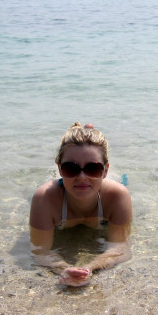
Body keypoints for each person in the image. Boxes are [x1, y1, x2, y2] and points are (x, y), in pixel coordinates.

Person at [30, 122, 132, 287]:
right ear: (60, 169)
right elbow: (40, 250)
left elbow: (121, 249)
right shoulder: (44, 198)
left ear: (105, 170)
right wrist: (64, 268)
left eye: (93, 168)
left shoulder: (117, 196)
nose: (82, 177)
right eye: (70, 168)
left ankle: (86, 133)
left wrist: (89, 268)